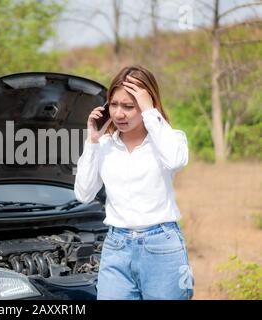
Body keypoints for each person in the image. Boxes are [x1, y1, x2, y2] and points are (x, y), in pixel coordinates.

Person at [74, 65, 194, 300]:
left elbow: (175, 160)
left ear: (148, 105)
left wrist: (150, 110)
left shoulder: (169, 140)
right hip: (116, 247)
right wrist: (92, 141)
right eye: (114, 104)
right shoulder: (104, 146)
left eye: (129, 106)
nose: (119, 114)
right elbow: (84, 194)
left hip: (162, 247)